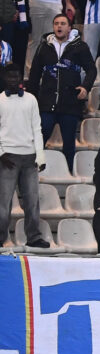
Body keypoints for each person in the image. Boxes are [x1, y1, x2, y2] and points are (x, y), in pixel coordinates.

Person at [28, 13, 96, 174]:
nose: (59, 26)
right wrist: (31, 98)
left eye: (63, 23)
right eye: (56, 23)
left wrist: (85, 87)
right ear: (53, 27)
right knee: (39, 141)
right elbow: (35, 73)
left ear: (69, 27)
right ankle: (31, 173)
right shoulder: (44, 45)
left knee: (69, 145)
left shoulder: (80, 46)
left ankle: (69, 172)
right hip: (46, 103)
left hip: (70, 104)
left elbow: (92, 69)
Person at [0, 68, 47, 249]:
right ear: (4, 78)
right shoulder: (0, 99)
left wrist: (41, 156)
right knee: (3, 202)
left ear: (21, 78)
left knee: (32, 200)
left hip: (30, 157)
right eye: (10, 76)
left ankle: (34, 237)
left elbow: (37, 128)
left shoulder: (31, 99)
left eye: (16, 75)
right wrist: (1, 153)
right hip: (8, 156)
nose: (13, 79)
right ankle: (1, 236)